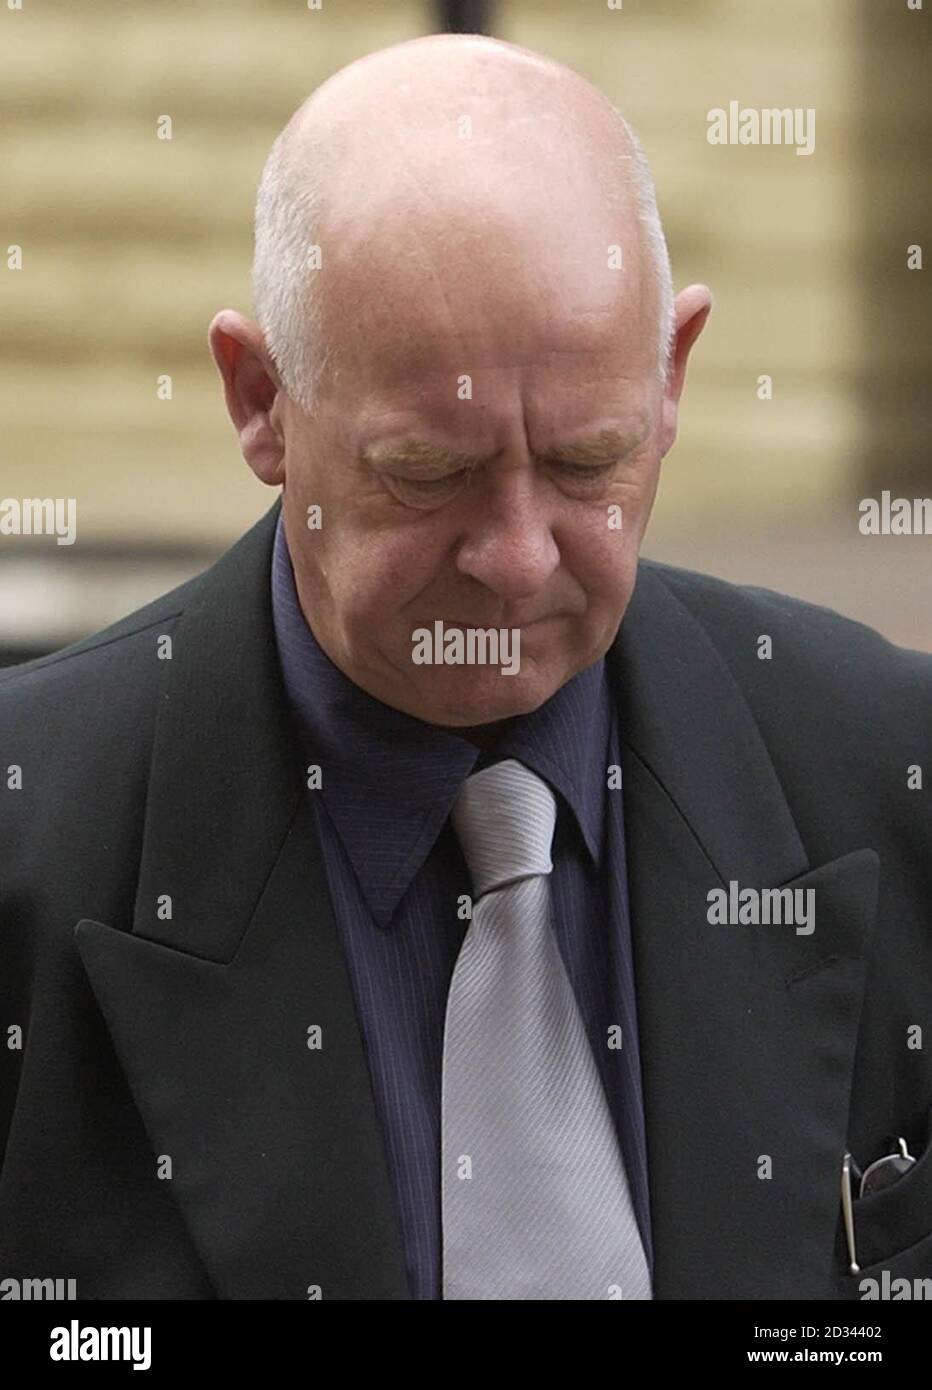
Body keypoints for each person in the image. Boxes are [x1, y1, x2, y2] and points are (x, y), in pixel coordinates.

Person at [1, 34, 929, 1302]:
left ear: (672, 376)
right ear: (259, 401)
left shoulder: (890, 775)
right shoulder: (34, 849)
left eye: (587, 461)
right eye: (428, 472)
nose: (516, 556)